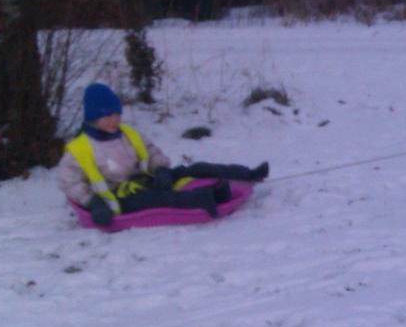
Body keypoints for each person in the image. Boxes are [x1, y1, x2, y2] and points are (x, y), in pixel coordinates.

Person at [58, 82, 269, 227]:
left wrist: (160, 169)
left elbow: (150, 151)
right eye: (106, 116)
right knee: (161, 199)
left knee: (193, 169)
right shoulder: (80, 148)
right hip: (119, 196)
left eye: (116, 114)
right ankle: (211, 198)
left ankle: (247, 174)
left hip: (145, 179)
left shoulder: (128, 134)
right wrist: (92, 202)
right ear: (92, 118)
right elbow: (69, 182)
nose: (114, 120)